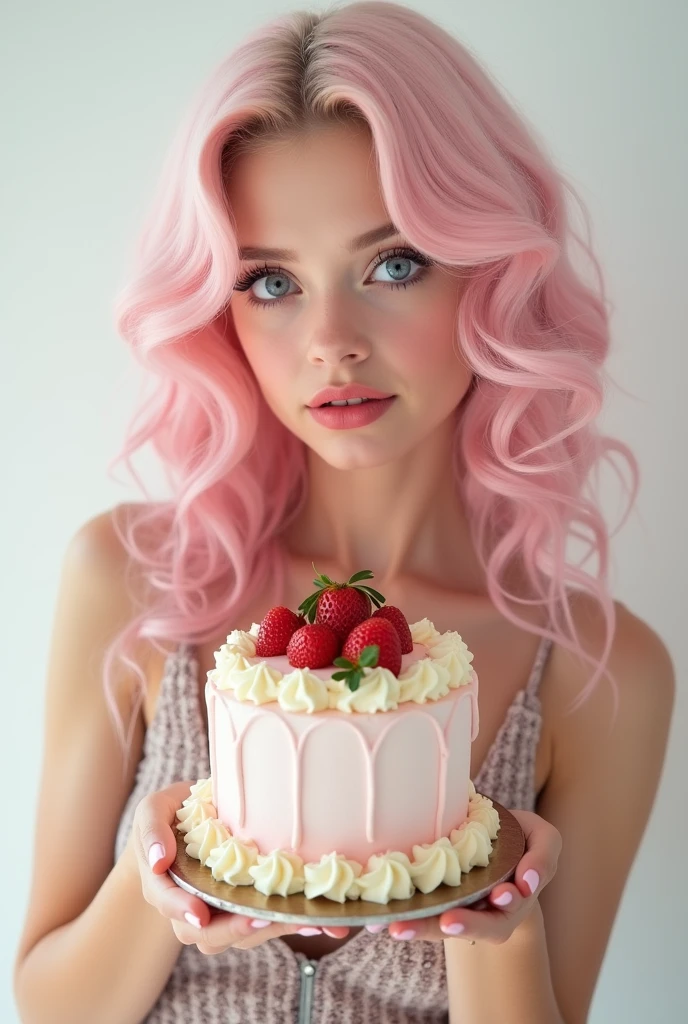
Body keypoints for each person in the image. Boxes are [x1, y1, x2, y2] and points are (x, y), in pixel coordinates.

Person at [13, 2, 674, 1022]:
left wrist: (501, 917)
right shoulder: (133, 577)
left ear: (490, 274)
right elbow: (45, 1003)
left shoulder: (599, 671)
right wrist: (171, 874)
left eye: (393, 264)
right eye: (270, 281)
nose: (330, 340)